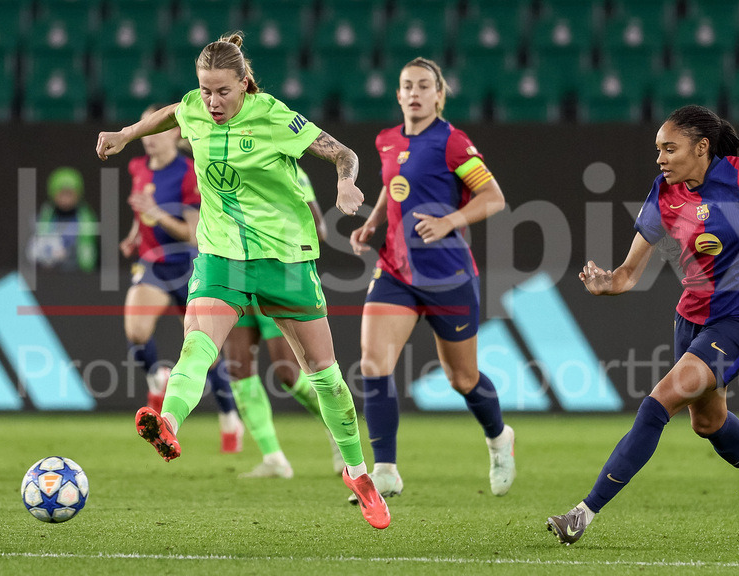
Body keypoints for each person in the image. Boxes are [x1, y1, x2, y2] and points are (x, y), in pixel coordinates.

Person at [96, 31, 389, 529]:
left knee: (324, 373)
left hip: (285, 258)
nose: (212, 102)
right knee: (198, 344)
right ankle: (168, 422)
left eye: (223, 92)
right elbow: (173, 112)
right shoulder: (195, 107)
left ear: (244, 84)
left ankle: (358, 474)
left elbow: (343, 153)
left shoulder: (273, 116)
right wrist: (126, 134)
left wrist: (345, 182)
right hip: (222, 256)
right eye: (205, 90)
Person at [546, 105, 739, 545]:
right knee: (708, 423)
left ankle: (582, 514)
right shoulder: (664, 192)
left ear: (701, 148)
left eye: (670, 148)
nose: (660, 158)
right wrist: (609, 283)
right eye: (658, 149)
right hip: (691, 320)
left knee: (656, 405)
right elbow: (627, 274)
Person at [347, 57, 515, 502]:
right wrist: (374, 222)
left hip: (447, 276)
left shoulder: (453, 142)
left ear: (439, 95)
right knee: (373, 364)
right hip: (396, 270)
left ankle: (499, 438)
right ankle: (385, 471)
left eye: (424, 86)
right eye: (408, 85)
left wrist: (449, 221)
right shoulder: (386, 140)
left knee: (462, 378)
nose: (415, 93)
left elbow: (493, 197)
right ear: (398, 94)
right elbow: (393, 184)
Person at [119, 104, 243, 454]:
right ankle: (156, 378)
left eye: (155, 129)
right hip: (153, 265)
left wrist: (156, 214)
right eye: (144, 128)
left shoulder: (189, 172)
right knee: (136, 332)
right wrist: (134, 234)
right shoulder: (137, 167)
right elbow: (142, 211)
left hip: (188, 265)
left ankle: (229, 417)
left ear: (175, 132)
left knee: (207, 354)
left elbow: (191, 234)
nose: (148, 137)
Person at [224, 165, 346, 478]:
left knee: (288, 373)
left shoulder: (287, 170)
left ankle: (337, 432)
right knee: (237, 367)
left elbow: (319, 229)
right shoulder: (222, 164)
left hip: (277, 273)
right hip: (234, 272)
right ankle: (273, 457)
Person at [27, 167, 98, 273]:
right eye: (62, 194)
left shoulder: (85, 216)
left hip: (78, 271)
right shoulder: (46, 215)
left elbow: (88, 250)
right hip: (50, 270)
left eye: (69, 194)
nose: (65, 199)